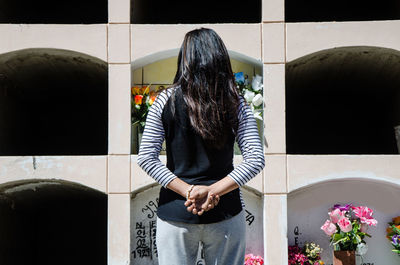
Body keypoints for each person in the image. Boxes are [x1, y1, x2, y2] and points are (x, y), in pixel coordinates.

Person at [137, 28, 265, 265]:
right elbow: (255, 158)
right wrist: (213, 191)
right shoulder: (236, 103)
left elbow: (146, 157)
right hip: (226, 212)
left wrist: (188, 191)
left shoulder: (164, 100)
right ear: (219, 58)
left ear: (186, 58)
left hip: (175, 212)